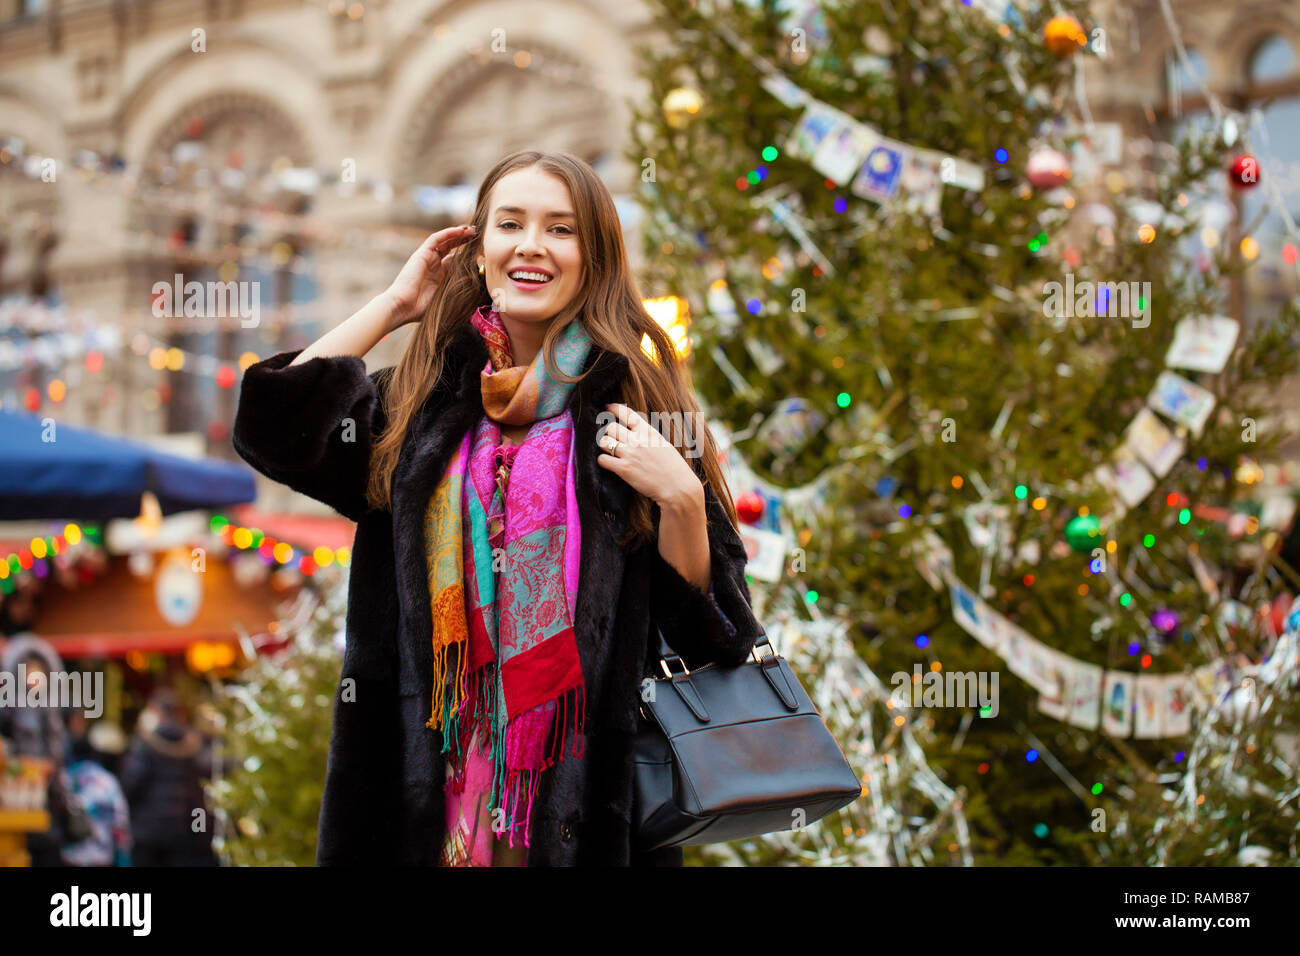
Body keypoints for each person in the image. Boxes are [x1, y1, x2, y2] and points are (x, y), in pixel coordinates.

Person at [232, 149, 763, 867]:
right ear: (480, 251)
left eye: (561, 229)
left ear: (594, 257)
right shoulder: (414, 405)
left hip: (586, 823)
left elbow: (715, 638)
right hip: (414, 818)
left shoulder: (639, 411)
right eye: (510, 224)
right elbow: (272, 428)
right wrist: (392, 307)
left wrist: (682, 502)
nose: (532, 245)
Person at [118, 688, 219, 866]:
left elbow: (131, 783)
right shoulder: (193, 743)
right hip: (181, 830)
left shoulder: (145, 743)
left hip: (147, 830)